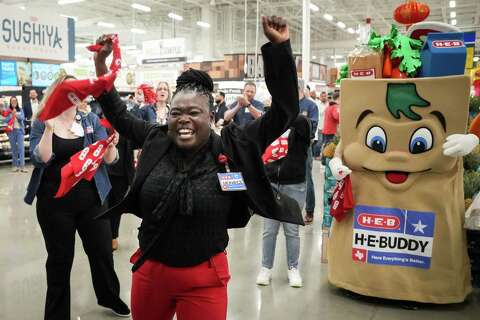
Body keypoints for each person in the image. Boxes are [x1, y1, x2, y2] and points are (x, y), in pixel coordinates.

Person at [94, 15, 301, 320]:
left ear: (209, 115)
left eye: (194, 111)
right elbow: (119, 115)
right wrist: (101, 68)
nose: (183, 118)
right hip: (151, 271)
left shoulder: (231, 147)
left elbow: (284, 111)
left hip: (205, 279)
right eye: (176, 112)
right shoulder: (156, 139)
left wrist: (280, 49)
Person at [24, 75, 130, 319]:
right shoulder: (42, 121)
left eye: (77, 91)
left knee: (102, 251)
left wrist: (111, 145)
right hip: (55, 203)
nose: (73, 95)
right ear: (56, 92)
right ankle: (56, 313)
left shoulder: (90, 119)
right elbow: (40, 158)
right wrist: (49, 129)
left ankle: (109, 296)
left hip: (92, 199)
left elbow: (110, 160)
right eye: (67, 90)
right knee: (60, 259)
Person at [256, 115, 311, 288]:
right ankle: (265, 268)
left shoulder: (301, 124)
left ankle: (293, 268)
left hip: (295, 185)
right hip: (272, 184)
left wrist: (286, 111)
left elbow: (301, 124)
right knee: (269, 230)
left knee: (291, 231)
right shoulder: (271, 125)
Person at [298, 79, 318, 225]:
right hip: (285, 147)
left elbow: (313, 126)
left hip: (304, 147)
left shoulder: (310, 105)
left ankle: (309, 210)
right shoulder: (288, 105)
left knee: (306, 178)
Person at [3, 97, 27, 173]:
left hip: (19, 131)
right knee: (14, 149)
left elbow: (22, 118)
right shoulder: (8, 111)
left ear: (17, 102)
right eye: (12, 101)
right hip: (11, 131)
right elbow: (5, 120)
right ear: (10, 102)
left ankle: (22, 166)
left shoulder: (20, 109)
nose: (14, 102)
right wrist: (11, 115)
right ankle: (15, 166)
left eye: (15, 101)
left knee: (21, 149)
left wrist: (15, 114)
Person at [321, 91, 340, 162]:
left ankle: (324, 160)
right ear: (338, 98)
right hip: (331, 131)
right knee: (330, 149)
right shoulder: (335, 107)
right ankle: (325, 161)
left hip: (326, 130)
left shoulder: (329, 106)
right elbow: (337, 117)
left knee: (326, 146)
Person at [313, 91, 328, 160]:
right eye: (322, 96)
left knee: (326, 143)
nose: (324, 97)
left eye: (325, 96)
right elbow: (319, 114)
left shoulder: (328, 104)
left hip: (327, 127)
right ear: (320, 97)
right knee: (319, 142)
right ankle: (316, 155)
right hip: (320, 126)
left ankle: (323, 156)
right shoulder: (317, 104)